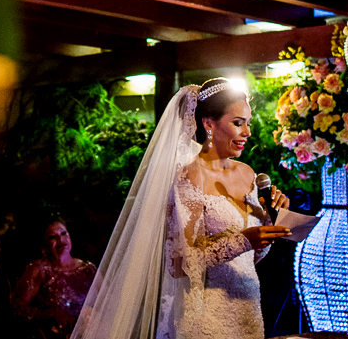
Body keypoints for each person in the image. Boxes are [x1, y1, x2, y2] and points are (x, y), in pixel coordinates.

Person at [71, 78, 290, 339]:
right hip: (207, 319)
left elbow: (250, 258)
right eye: (238, 123)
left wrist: (270, 224)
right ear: (209, 124)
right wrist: (242, 241)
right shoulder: (190, 177)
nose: (247, 133)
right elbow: (178, 263)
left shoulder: (248, 174)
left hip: (248, 310)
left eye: (248, 123)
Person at [11, 218, 96, 338]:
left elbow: (108, 303)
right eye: (52, 237)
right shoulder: (39, 269)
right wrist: (50, 314)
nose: (60, 239)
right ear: (43, 246)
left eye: (63, 233)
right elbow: (16, 310)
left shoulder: (88, 270)